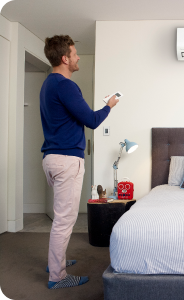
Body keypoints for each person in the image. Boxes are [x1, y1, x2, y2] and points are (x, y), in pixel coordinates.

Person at [40, 35, 118, 289]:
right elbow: (93, 121)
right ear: (64, 58)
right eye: (74, 54)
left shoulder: (49, 85)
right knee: (65, 220)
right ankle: (57, 277)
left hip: (53, 158)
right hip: (66, 160)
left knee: (61, 217)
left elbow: (75, 115)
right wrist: (109, 106)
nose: (78, 57)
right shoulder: (66, 86)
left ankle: (55, 262)